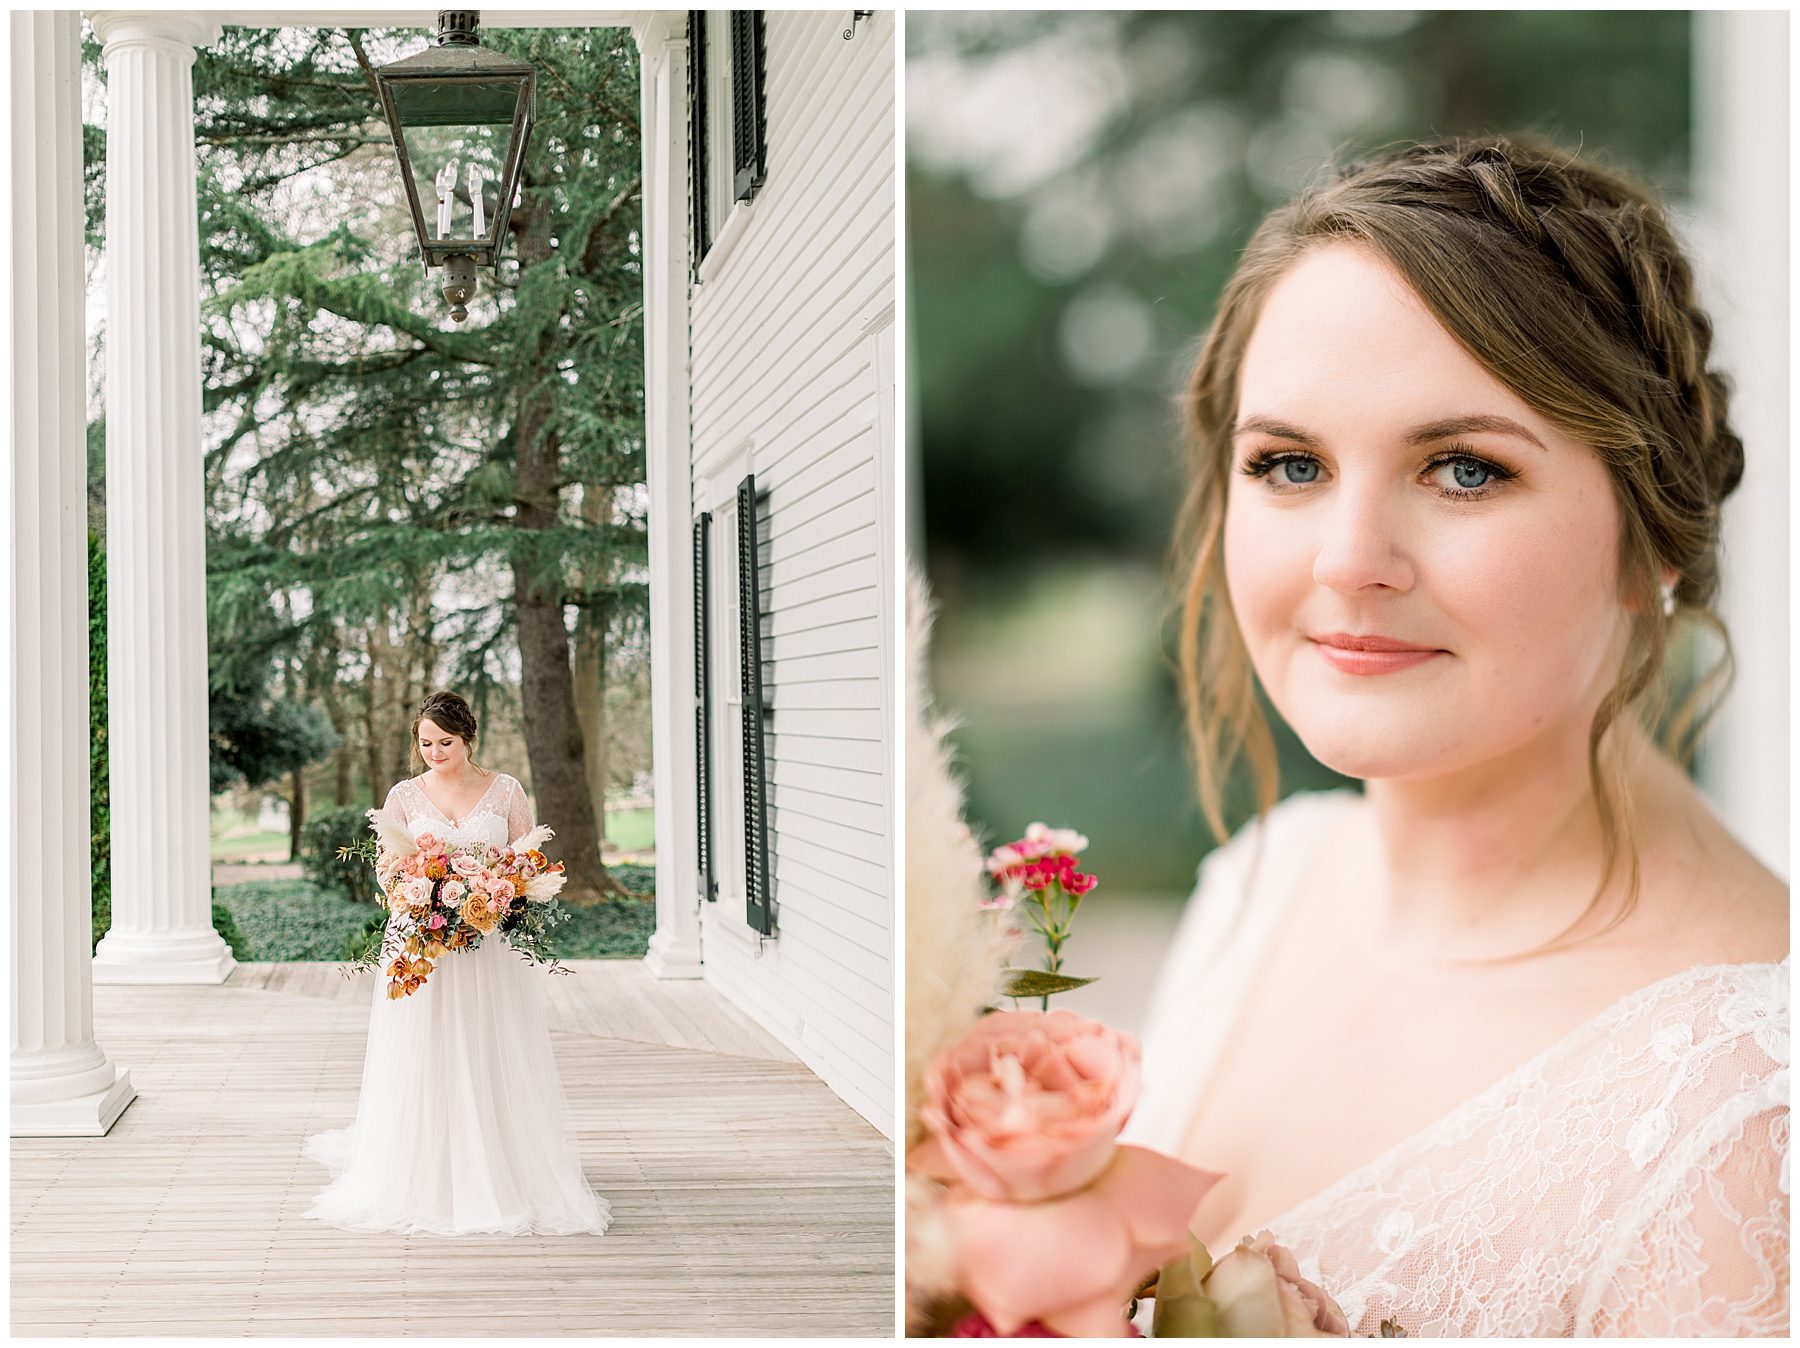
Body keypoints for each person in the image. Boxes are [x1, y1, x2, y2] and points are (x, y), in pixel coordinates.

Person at [1124, 139, 1787, 1335]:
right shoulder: (1263, 881)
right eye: (1289, 464)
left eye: (1465, 470)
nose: (1348, 562)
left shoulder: (1741, 1123)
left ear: (1653, 537)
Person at [304, 691, 611, 1237]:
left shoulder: (506, 790)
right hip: (422, 941)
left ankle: (497, 1165)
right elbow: (386, 870)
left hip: (485, 944)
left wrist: (496, 893)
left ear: (468, 738)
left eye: (445, 742)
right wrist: (419, 895)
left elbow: (527, 859)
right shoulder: (403, 795)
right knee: (426, 1046)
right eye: (425, 744)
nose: (435, 753)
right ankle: (423, 1167)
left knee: (486, 1042)